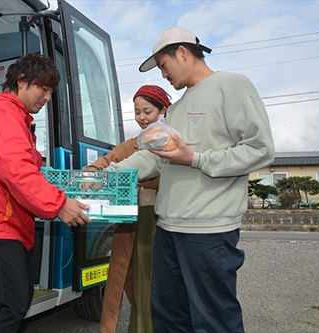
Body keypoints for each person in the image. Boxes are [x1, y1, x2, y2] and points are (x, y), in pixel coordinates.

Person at [107, 27, 275, 332]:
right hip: (168, 228)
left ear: (182, 52)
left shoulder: (232, 85)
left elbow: (260, 149)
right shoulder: (178, 108)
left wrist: (196, 159)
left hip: (209, 230)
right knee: (169, 315)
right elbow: (154, 156)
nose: (163, 75)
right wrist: (107, 175)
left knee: (213, 318)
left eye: (163, 65)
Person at [0, 53, 92, 333]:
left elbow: (30, 165)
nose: (47, 98)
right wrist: (59, 204)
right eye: (43, 89)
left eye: (50, 91)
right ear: (22, 82)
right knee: (13, 305)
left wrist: (65, 182)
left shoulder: (15, 118)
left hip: (8, 224)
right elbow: (16, 171)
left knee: (17, 301)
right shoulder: (3, 114)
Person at [83, 85, 171, 333]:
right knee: (128, 278)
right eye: (137, 112)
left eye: (148, 111)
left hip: (157, 220)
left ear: (163, 110)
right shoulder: (130, 145)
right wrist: (90, 173)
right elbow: (102, 163)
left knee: (149, 283)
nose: (142, 118)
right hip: (128, 220)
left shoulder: (171, 143)